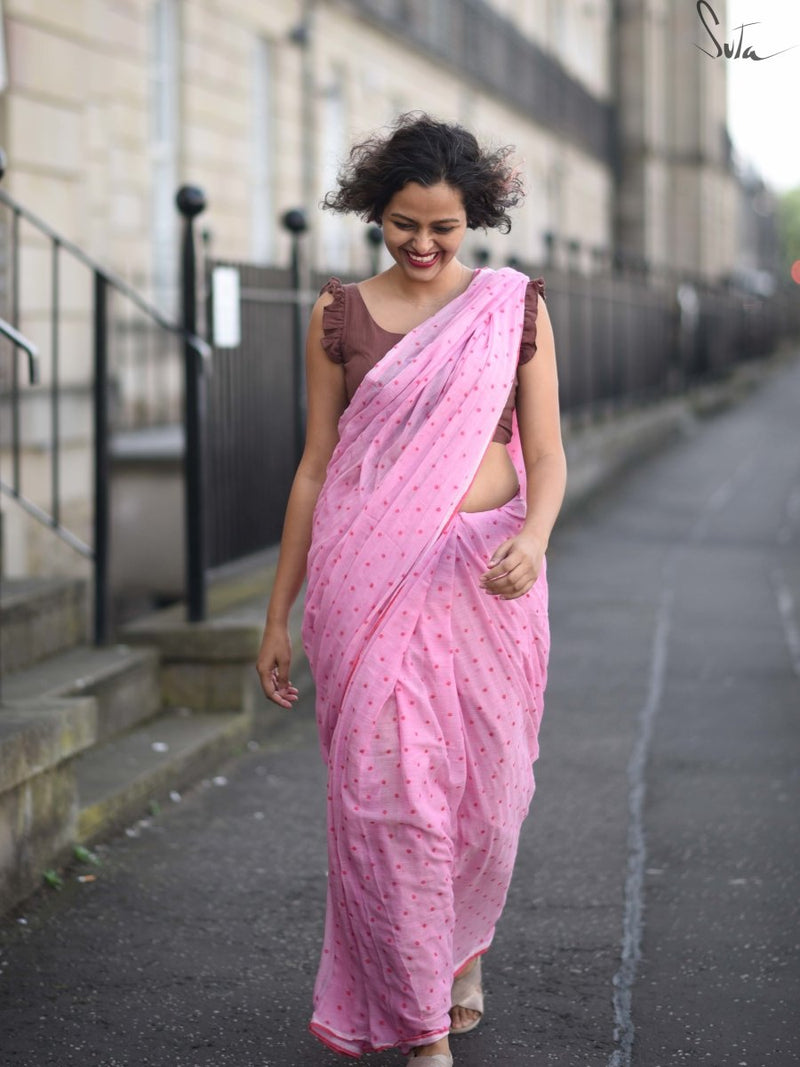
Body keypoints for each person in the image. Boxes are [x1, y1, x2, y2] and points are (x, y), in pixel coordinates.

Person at [256, 113, 566, 1066]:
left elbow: (547, 455)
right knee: (390, 803)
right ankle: (418, 1020)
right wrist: (278, 616)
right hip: (366, 582)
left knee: (487, 797)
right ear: (374, 214)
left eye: (443, 227)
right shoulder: (337, 315)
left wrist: (537, 538)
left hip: (485, 581)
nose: (425, 246)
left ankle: (459, 949)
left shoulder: (512, 306)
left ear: (476, 215)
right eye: (403, 226)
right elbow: (316, 466)